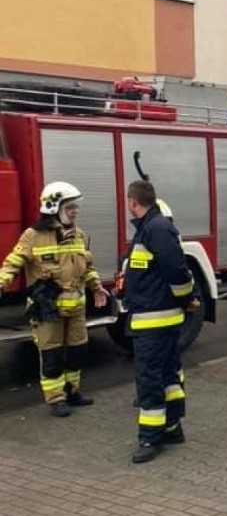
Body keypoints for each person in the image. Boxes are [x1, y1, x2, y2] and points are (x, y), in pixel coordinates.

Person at [0, 181, 108, 416]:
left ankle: (72, 391)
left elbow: (86, 267)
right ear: (53, 208)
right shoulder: (33, 236)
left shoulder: (78, 234)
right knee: (51, 356)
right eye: (70, 207)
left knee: (78, 351)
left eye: (75, 207)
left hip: (77, 308)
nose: (75, 211)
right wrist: (2, 282)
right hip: (48, 309)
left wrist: (97, 287)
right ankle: (56, 398)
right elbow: (13, 263)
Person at [124, 180, 197, 464]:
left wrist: (186, 297)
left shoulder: (155, 229)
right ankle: (172, 427)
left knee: (151, 379)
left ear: (133, 201)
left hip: (153, 322)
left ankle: (149, 438)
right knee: (168, 377)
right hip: (156, 319)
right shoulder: (152, 227)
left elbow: (177, 272)